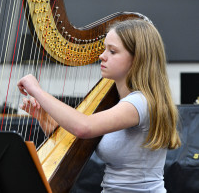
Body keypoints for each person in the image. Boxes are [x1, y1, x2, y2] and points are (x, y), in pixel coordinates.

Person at [17, 18, 181, 192]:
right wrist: (43, 117)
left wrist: (37, 91)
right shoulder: (119, 102)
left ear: (137, 59)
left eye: (112, 51)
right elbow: (77, 139)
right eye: (104, 49)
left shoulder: (140, 102)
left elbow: (84, 127)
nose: (102, 56)